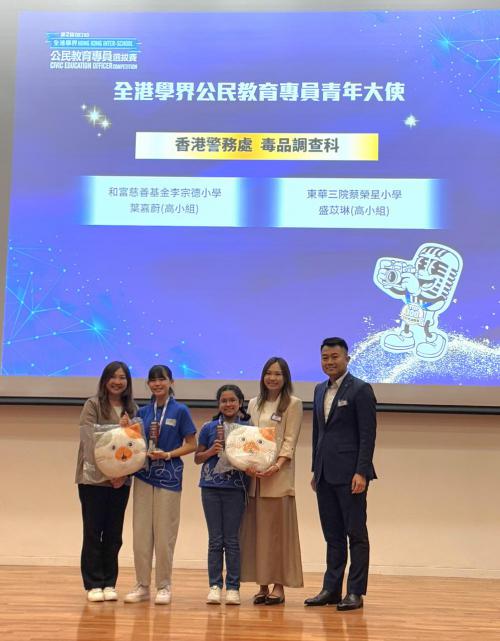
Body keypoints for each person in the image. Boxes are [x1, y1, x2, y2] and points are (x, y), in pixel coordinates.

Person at [305, 337, 377, 611]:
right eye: (325, 357)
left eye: (334, 357)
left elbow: (367, 435)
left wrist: (361, 472)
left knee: (355, 534)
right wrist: (316, 469)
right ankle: (331, 589)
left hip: (351, 475)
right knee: (332, 535)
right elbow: (318, 434)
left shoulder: (360, 389)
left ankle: (355, 592)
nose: (329, 362)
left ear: (347, 358)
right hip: (325, 474)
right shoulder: (318, 390)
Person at [124, 364, 197, 605]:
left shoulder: (180, 410)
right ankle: (142, 585)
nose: (157, 384)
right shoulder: (142, 412)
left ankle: (164, 586)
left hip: (169, 477)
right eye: (153, 380)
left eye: (162, 379)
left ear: (171, 382)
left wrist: (167, 454)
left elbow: (192, 444)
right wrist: (125, 428)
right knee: (141, 534)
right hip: (144, 476)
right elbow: (132, 443)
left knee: (165, 535)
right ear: (148, 384)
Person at [240, 356, 303, 605]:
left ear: (285, 378)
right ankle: (262, 585)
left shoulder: (293, 404)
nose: (272, 378)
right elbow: (247, 437)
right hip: (255, 479)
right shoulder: (253, 403)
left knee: (277, 535)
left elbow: (290, 441)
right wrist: (247, 464)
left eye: (278, 374)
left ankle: (279, 586)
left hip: (278, 478)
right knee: (258, 534)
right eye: (269, 373)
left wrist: (277, 466)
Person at [76, 361, 136, 603]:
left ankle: (109, 582)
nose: (118, 382)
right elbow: (89, 439)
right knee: (93, 531)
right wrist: (110, 472)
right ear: (105, 380)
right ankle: (93, 583)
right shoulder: (92, 404)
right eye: (113, 377)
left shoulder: (132, 408)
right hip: (93, 480)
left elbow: (136, 445)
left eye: (122, 377)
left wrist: (123, 473)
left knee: (114, 533)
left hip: (121, 481)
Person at [195, 385, 250, 606]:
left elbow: (254, 456)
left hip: (236, 488)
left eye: (232, 400)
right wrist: (211, 451)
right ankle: (215, 586)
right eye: (224, 401)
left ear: (240, 403)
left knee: (232, 540)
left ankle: (233, 588)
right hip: (210, 488)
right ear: (218, 404)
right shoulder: (209, 428)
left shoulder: (248, 429)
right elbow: (197, 458)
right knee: (215, 540)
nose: (228, 404)